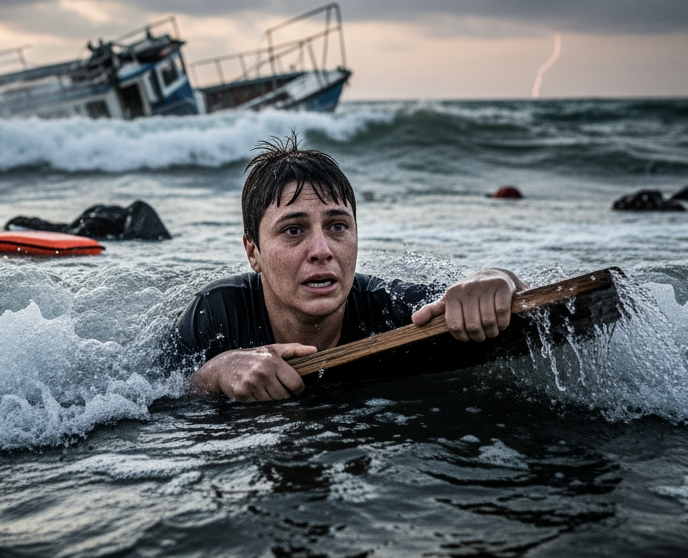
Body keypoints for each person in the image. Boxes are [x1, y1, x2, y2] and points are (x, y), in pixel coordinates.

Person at [175, 136, 525, 401]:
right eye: (293, 230)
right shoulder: (216, 314)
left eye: (337, 226)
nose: (322, 251)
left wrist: (498, 279)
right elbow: (154, 392)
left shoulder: (392, 310)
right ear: (253, 252)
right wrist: (214, 373)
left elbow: (476, 298)